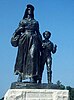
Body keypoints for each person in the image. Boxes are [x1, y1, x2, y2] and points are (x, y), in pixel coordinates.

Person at [11, 4, 42, 83]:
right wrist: (18, 30)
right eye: (28, 9)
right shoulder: (23, 21)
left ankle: (32, 76)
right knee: (22, 57)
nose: (30, 11)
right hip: (24, 39)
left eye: (31, 9)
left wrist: (41, 42)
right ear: (26, 11)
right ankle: (20, 75)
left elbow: (38, 32)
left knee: (32, 57)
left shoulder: (35, 22)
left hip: (33, 39)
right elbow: (17, 31)